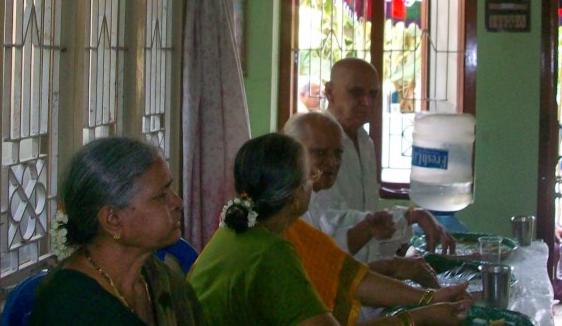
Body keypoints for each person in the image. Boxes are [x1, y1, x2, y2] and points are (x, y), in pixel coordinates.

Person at [188, 132, 470, 326]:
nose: (316, 179)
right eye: (309, 176)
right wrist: (419, 318)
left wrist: (430, 298)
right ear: (295, 197)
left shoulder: (239, 229)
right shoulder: (270, 252)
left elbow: (348, 278)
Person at [29, 137, 204, 325]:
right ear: (113, 220)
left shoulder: (156, 277)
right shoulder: (70, 307)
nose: (178, 203)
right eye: (161, 196)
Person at [310, 58, 453, 263]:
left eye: (373, 94)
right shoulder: (314, 144)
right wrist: (409, 217)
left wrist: (403, 240)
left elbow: (369, 221)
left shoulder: (365, 143)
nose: (367, 102)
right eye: (356, 92)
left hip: (360, 271)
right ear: (329, 92)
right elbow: (329, 223)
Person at [284, 111, 442, 290]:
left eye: (338, 153)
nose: (333, 162)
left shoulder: (317, 198)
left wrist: (370, 230)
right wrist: (392, 269)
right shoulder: (287, 209)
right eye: (320, 153)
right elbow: (320, 277)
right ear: (291, 154)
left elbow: (331, 249)